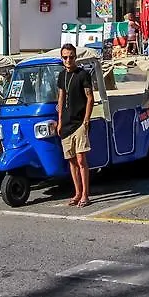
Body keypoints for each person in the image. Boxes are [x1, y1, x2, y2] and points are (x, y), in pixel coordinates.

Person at [56, 43, 93, 207]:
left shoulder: (83, 74)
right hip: (66, 124)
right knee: (71, 161)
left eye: (71, 57)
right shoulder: (62, 75)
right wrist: (59, 121)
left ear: (75, 57)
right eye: (65, 57)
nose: (68, 60)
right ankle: (77, 192)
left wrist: (86, 120)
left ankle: (85, 194)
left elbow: (90, 98)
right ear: (62, 58)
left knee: (81, 159)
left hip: (79, 122)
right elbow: (61, 98)